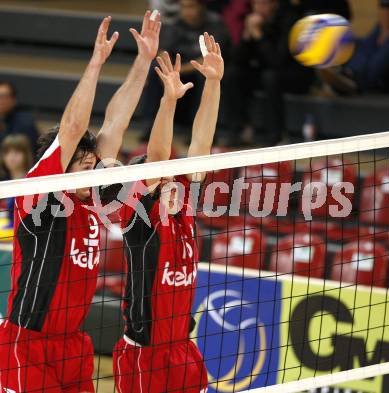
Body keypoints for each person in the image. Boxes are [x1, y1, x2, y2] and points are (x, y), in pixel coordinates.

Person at [0, 10, 161, 393]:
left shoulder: (94, 198)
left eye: (92, 163)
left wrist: (143, 61)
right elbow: (71, 128)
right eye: (82, 164)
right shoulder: (41, 191)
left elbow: (115, 123)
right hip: (27, 342)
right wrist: (96, 62)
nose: (92, 169)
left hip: (73, 344)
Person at [113, 32, 223, 393]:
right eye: (161, 179)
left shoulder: (183, 205)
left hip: (183, 349)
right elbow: (158, 157)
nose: (171, 180)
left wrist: (213, 84)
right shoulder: (139, 216)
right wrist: (168, 100)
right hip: (144, 354)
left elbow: (201, 143)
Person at [225, 0, 314, 146]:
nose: (259, 8)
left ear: (274, 4)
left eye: (263, 3)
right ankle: (239, 130)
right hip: (267, 72)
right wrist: (247, 36)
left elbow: (277, 60)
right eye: (256, 4)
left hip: (296, 75)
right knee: (232, 74)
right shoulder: (252, 21)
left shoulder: (289, 20)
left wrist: (259, 36)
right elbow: (237, 60)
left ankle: (276, 136)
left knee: (270, 77)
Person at [142, 0, 230, 134]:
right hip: (181, 67)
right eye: (183, 7)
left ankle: (200, 129)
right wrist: (168, 68)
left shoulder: (215, 24)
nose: (186, 11)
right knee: (156, 70)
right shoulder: (177, 23)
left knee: (205, 76)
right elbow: (163, 51)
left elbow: (209, 59)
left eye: (191, 7)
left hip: (204, 69)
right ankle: (151, 125)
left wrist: (177, 71)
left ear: (201, 6)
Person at [321, 0, 389, 94]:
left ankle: (361, 81)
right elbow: (386, 5)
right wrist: (385, 30)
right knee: (374, 35)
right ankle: (351, 73)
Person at [0, 81, 39, 168]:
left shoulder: (26, 123)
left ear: (14, 100)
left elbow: (31, 155)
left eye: (4, 97)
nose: (0, 101)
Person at [0, 134, 34, 241]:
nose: (12, 157)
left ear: (26, 155)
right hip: (12, 227)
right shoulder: (7, 182)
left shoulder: (30, 182)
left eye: (17, 152)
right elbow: (12, 212)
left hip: (26, 232)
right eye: (8, 152)